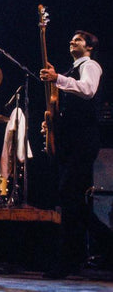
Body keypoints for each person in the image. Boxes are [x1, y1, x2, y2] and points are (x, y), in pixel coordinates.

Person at [40, 30, 113, 278]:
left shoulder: (91, 65)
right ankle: (93, 251)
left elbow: (88, 90)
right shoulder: (72, 70)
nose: (72, 41)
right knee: (74, 202)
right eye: (71, 38)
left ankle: (68, 261)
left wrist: (57, 78)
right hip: (72, 141)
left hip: (83, 140)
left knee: (71, 197)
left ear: (90, 47)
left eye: (79, 39)